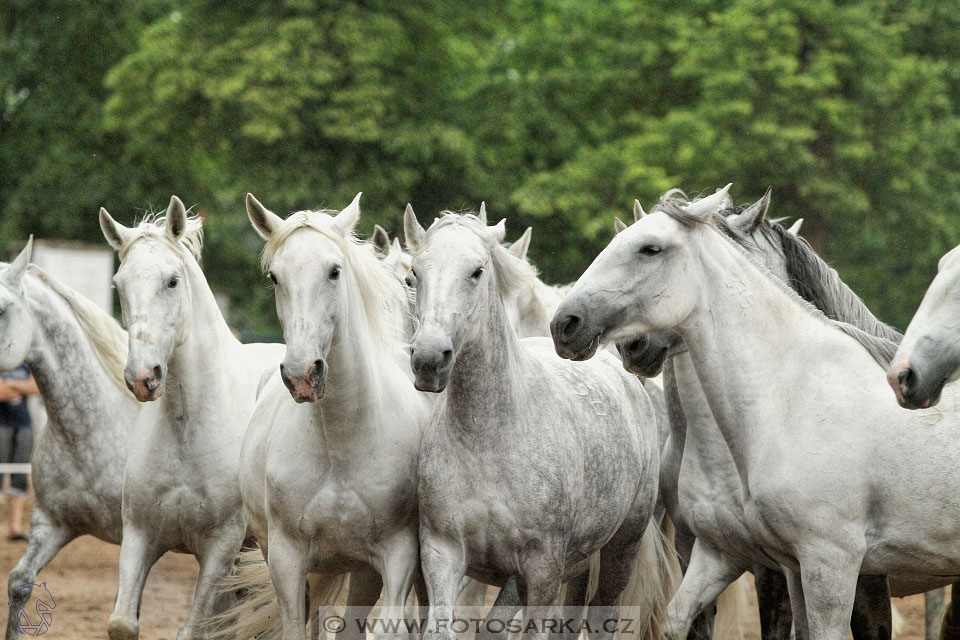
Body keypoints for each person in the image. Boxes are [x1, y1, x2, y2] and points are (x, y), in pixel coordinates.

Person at [0, 365, 39, 541]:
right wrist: (22, 387)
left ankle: (15, 528)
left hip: (24, 426)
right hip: (2, 426)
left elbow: (36, 387)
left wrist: (9, 384)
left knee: (20, 478)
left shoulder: (25, 363)